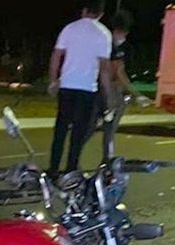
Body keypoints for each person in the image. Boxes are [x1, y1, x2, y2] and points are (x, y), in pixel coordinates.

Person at [48, 0, 114, 176]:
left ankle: (53, 168)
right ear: (101, 14)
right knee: (78, 133)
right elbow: (104, 69)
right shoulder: (103, 34)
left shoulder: (69, 28)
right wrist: (108, 96)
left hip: (67, 86)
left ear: (84, 10)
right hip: (87, 89)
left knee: (61, 130)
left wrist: (53, 81)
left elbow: (56, 55)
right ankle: (70, 170)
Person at [90, 10, 151, 161]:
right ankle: (107, 158)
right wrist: (137, 95)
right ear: (121, 31)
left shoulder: (102, 41)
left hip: (95, 87)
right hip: (107, 91)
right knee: (109, 127)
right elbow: (119, 73)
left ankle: (100, 157)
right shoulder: (114, 48)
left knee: (93, 126)